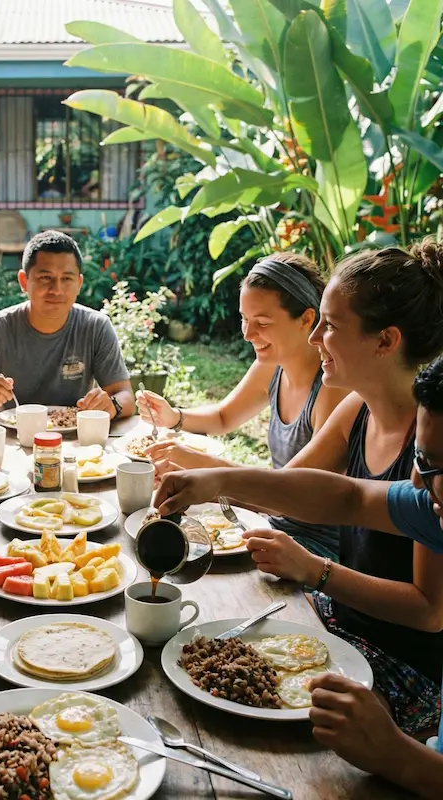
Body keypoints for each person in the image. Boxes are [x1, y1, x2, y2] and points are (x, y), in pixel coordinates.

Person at [152, 240, 443, 741]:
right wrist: (210, 480)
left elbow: (429, 610)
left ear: (384, 340)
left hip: (401, 666)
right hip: (338, 622)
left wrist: (316, 571)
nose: (315, 339)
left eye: (330, 324)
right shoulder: (357, 409)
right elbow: (304, 490)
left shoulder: (432, 453)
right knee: (196, 656)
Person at [153, 354, 443, 798]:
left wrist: (397, 755)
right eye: (421, 458)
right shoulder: (433, 505)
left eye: (437, 466)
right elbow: (348, 496)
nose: (419, 483)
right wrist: (216, 481)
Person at [137, 252, 348, 559]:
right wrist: (175, 417)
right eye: (244, 319)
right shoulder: (273, 364)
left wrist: (198, 464)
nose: (248, 334)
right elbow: (224, 417)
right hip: (275, 523)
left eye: (261, 322)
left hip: (314, 549)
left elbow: (291, 495)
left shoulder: (331, 388)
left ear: (306, 318)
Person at [0, 230, 134, 418]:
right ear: (24, 281)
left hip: (77, 438)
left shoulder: (96, 326)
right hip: (10, 440)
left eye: (67, 279)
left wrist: (111, 405)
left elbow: (125, 395)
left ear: (79, 283)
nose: (56, 290)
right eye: (45, 278)